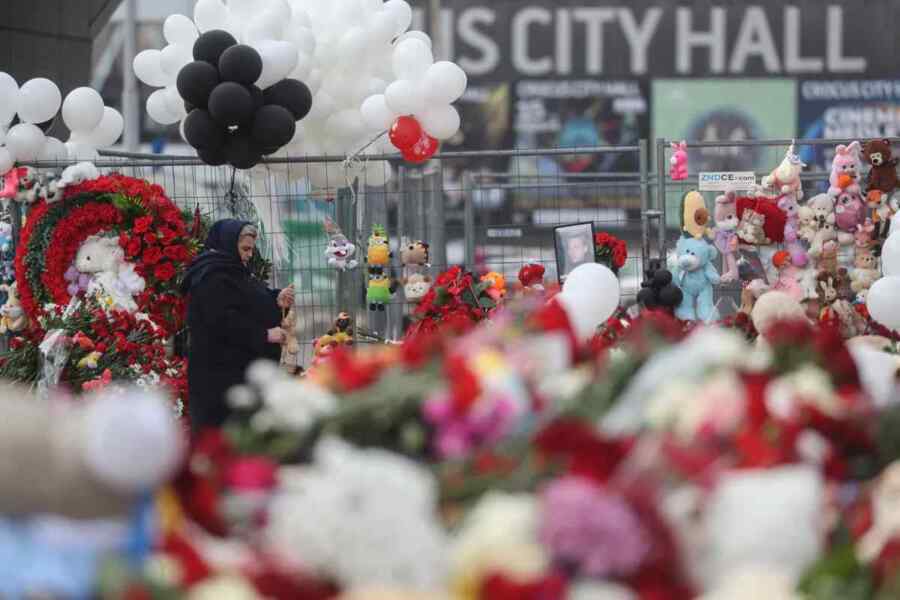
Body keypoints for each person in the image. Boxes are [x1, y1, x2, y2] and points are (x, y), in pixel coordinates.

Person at [180, 219, 294, 432]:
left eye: (251, 249)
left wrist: (276, 298)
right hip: (220, 379)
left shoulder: (232, 270)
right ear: (229, 244)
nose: (249, 254)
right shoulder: (211, 277)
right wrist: (265, 335)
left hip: (235, 374)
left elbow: (247, 299)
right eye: (245, 249)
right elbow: (223, 321)